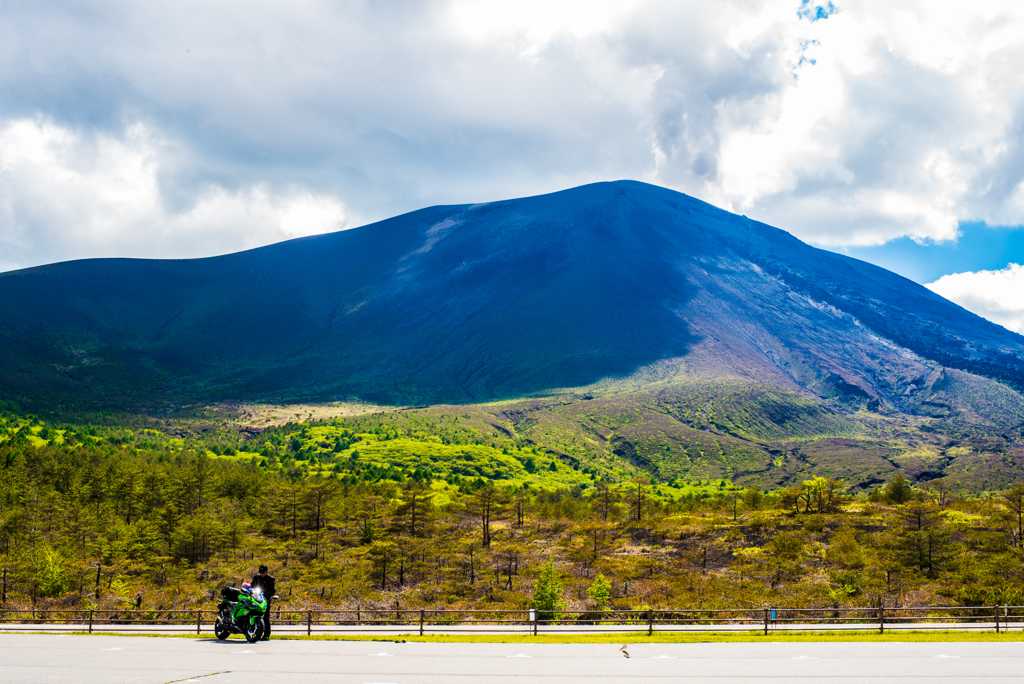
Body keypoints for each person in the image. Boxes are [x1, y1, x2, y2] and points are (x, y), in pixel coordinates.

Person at [250, 565, 276, 640]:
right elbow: (252, 586)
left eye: (263, 573)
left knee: (265, 617)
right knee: (253, 614)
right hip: (255, 599)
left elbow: (273, 590)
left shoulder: (270, 579)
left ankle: (266, 634)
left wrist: (266, 596)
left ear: (267, 571)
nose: (261, 574)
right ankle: (255, 632)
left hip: (265, 600)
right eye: (260, 572)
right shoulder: (256, 578)